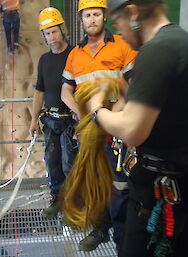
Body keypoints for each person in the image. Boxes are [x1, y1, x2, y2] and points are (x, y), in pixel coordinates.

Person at [86, 0, 188, 256]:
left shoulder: (156, 51)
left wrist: (98, 110)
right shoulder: (180, 40)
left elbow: (132, 129)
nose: (118, 32)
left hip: (158, 194)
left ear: (133, 14)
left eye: (117, 23)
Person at [60, 0, 136, 252]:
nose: (91, 19)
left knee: (119, 183)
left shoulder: (122, 47)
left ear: (104, 17)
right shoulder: (75, 54)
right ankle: (101, 229)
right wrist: (83, 115)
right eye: (87, 15)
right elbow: (65, 92)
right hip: (90, 130)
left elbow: (134, 85)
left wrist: (111, 114)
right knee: (95, 181)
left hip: (116, 130)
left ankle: (123, 235)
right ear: (81, 19)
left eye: (96, 14)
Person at [29, 7, 78, 219]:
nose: (51, 36)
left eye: (54, 31)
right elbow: (39, 91)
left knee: (70, 164)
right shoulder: (44, 61)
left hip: (70, 122)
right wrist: (33, 120)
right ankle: (57, 200)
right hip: (50, 120)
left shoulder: (74, 55)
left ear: (62, 30)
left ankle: (72, 204)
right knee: (53, 162)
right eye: (47, 33)